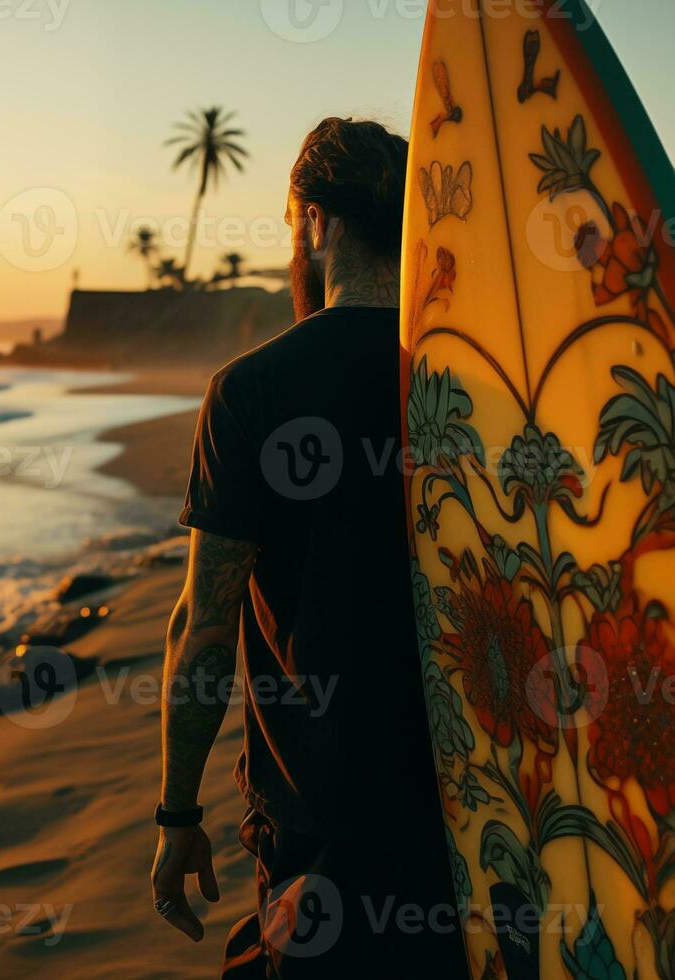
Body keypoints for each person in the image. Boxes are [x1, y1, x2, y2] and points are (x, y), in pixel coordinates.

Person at [149, 117, 467, 977]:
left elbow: (204, 629)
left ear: (316, 224)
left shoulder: (250, 389)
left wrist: (178, 816)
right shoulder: (473, 384)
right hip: (474, 813)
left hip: (319, 816)